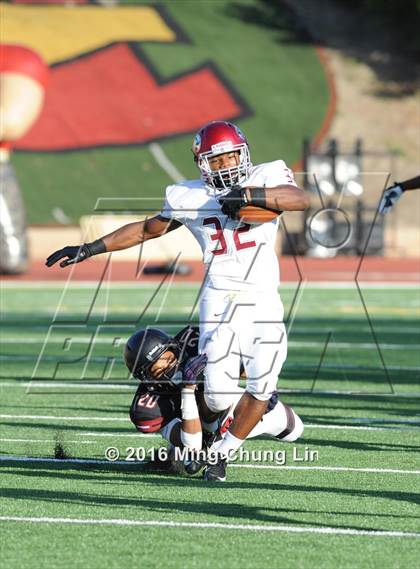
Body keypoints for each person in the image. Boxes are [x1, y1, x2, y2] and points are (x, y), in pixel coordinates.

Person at [46, 120, 309, 481]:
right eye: (216, 161)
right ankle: (254, 422)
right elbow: (145, 229)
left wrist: (250, 197)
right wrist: (90, 248)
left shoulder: (266, 175)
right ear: (202, 165)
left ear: (245, 154)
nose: (226, 165)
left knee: (262, 383)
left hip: (264, 297)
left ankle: (221, 456)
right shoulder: (189, 196)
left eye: (232, 156)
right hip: (220, 296)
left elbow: (301, 200)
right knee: (216, 395)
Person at [124, 325, 304, 474]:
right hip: (195, 434)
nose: (170, 368)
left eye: (170, 359)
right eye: (158, 370)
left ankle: (215, 445)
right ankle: (214, 453)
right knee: (192, 458)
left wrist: (260, 390)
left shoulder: (193, 341)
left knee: (294, 429)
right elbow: (193, 444)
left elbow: (239, 365)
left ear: (174, 347)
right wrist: (188, 388)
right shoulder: (146, 407)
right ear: (147, 378)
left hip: (219, 405)